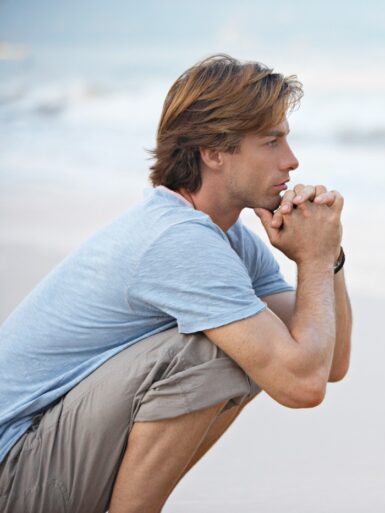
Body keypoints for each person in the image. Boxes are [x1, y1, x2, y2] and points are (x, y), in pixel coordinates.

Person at [0, 54, 352, 513]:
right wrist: (315, 259)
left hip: (43, 457)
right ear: (213, 152)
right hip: (14, 471)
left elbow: (328, 362)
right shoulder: (178, 239)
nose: (292, 160)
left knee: (254, 342)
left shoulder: (227, 238)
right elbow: (301, 383)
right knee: (217, 350)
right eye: (271, 142)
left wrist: (327, 257)